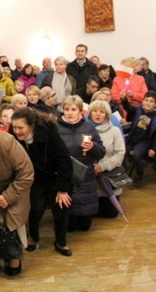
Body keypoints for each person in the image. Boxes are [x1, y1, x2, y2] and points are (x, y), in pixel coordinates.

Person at [11, 108, 74, 257]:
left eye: (21, 128)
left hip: (56, 177)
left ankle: (61, 242)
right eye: (14, 127)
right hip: (35, 179)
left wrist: (62, 189)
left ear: (32, 126)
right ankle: (33, 237)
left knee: (61, 207)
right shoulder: (12, 134)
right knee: (35, 209)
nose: (17, 131)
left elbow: (64, 161)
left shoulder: (49, 134)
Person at [0, 127, 35, 276]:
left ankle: (14, 259)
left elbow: (26, 173)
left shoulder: (6, 141)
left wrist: (8, 196)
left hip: (12, 190)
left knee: (11, 227)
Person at [56, 96, 105, 232]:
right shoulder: (56, 128)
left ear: (80, 111)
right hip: (66, 175)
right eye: (67, 109)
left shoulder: (89, 127)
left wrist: (93, 146)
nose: (70, 113)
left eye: (73, 109)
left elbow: (101, 152)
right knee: (69, 225)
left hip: (86, 175)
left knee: (85, 226)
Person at [86, 100, 126, 218]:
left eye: (101, 112)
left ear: (107, 115)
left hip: (109, 175)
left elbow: (120, 153)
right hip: (91, 177)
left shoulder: (115, 131)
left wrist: (103, 166)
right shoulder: (84, 131)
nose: (98, 114)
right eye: (95, 111)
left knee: (110, 213)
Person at [122, 91, 156, 189]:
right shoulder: (138, 110)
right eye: (146, 100)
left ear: (155, 104)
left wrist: (154, 148)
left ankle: (139, 175)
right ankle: (120, 175)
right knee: (122, 152)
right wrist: (123, 98)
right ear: (143, 101)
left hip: (144, 141)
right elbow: (128, 107)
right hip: (132, 139)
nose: (148, 103)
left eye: (151, 101)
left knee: (137, 154)